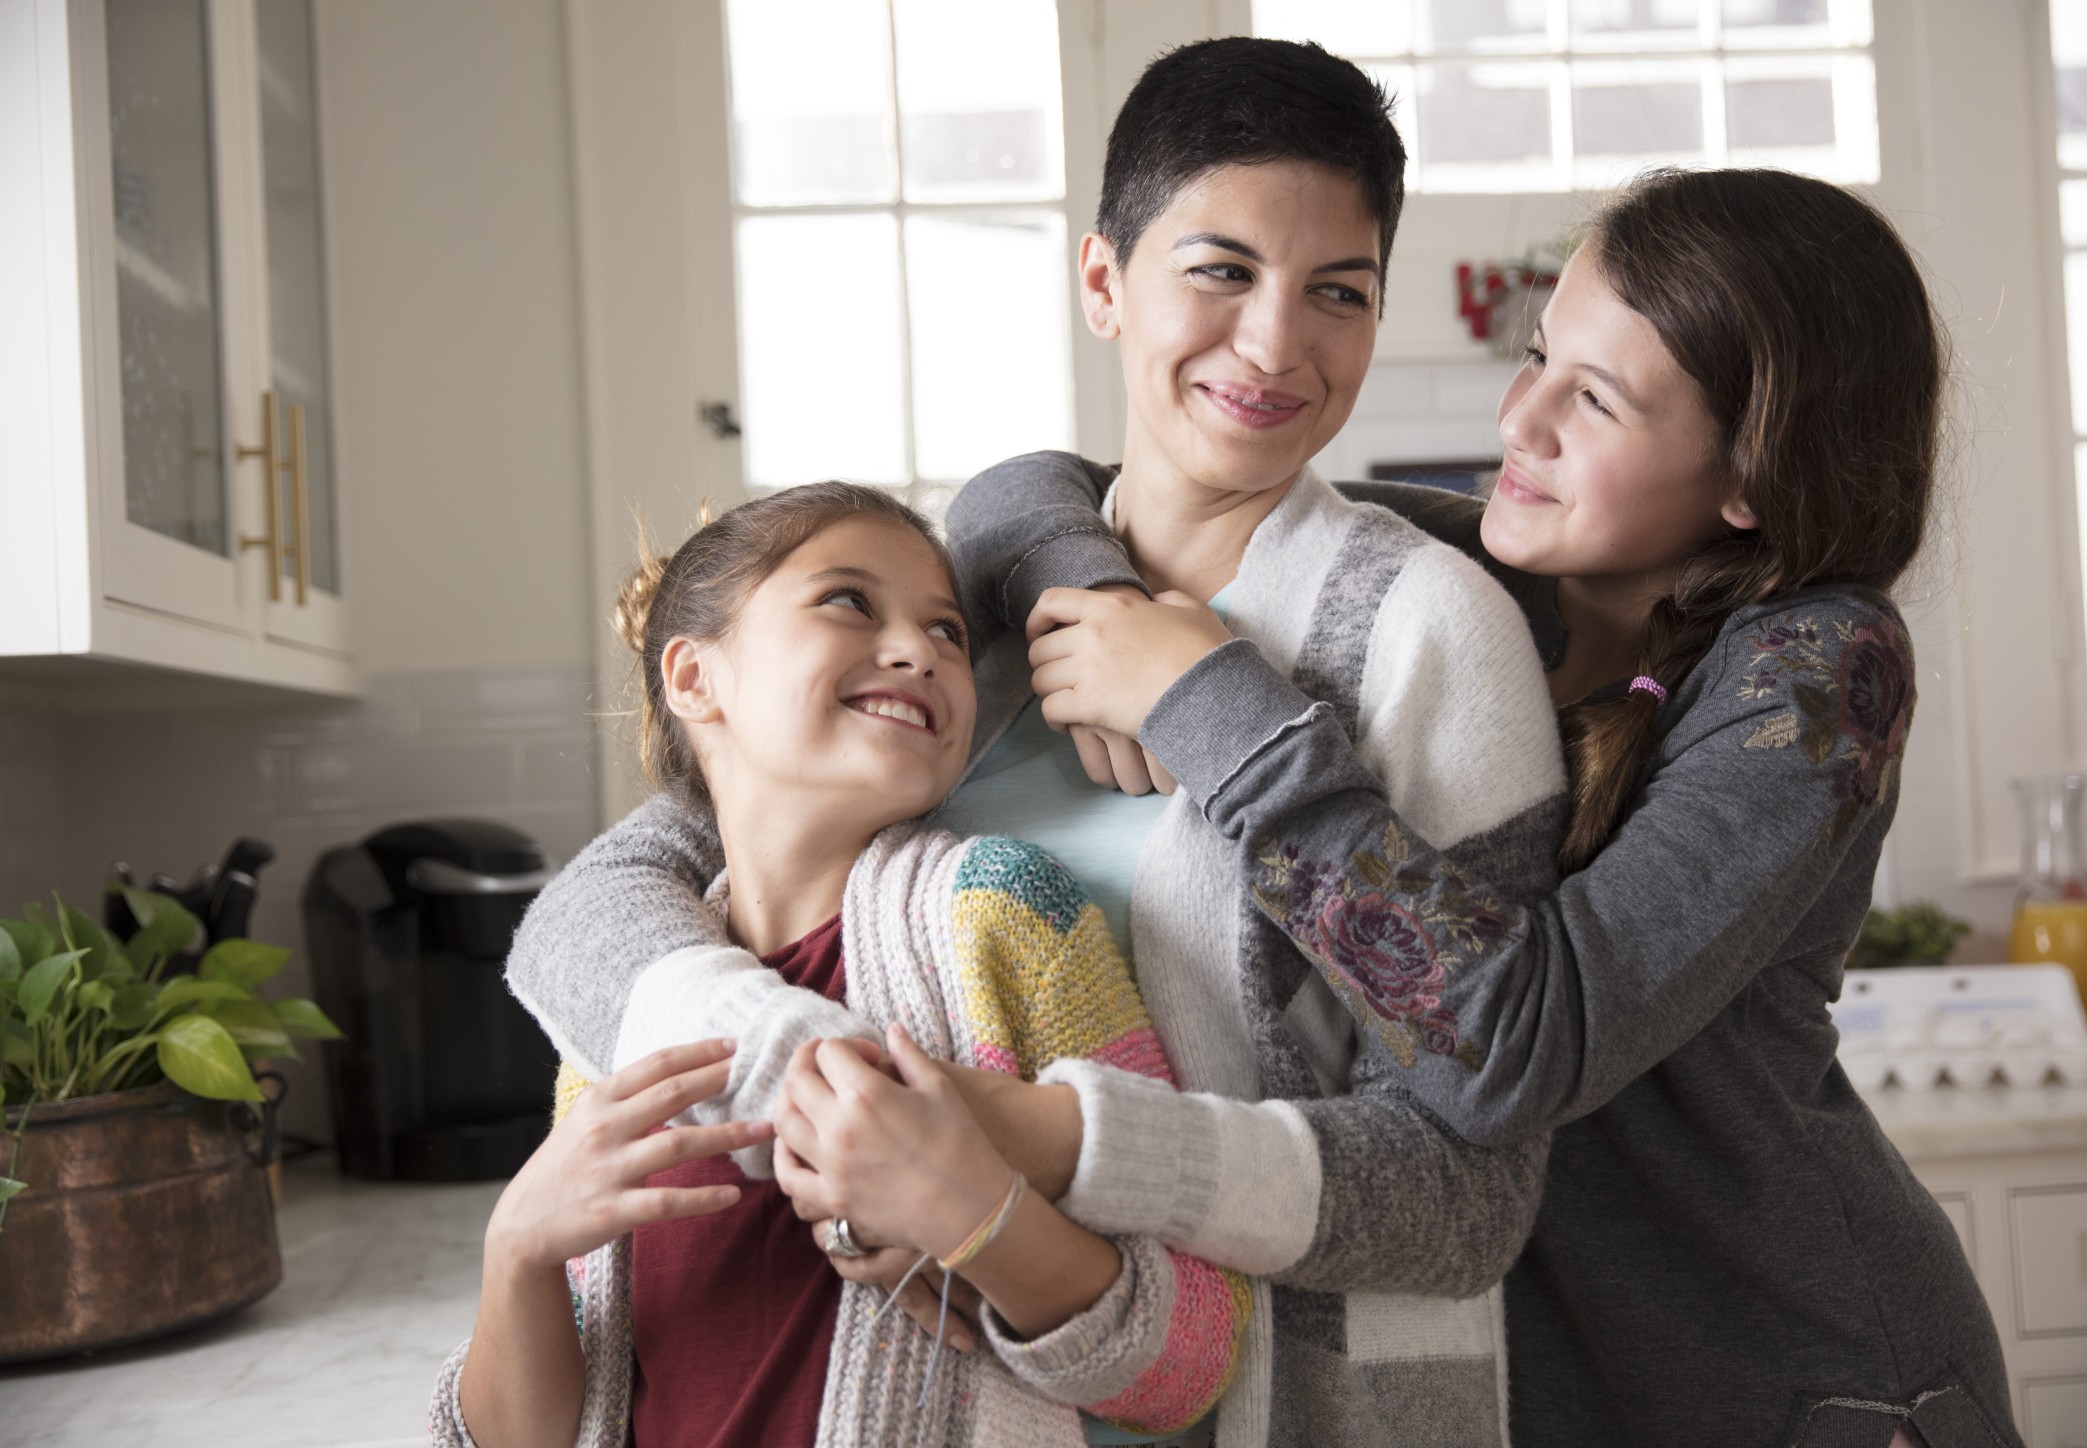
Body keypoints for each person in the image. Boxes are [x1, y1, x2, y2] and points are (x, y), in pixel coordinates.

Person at [502, 37, 1563, 1448]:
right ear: (1104, 281)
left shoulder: (1432, 637)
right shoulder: (966, 616)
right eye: (1222, 270)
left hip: (1288, 1411)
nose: (1275, 344)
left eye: (1338, 293)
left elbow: (1465, 1191)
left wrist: (1009, 1166)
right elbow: (614, 897)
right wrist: (836, 1120)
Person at [965, 169, 2023, 1448]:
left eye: (1598, 397)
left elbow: (1516, 1046)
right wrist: (1100, 596)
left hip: (1810, 1388)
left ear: (1751, 476)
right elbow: (1030, 490)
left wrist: (1210, 705)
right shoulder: (1474, 577)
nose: (1522, 418)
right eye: (1537, 356)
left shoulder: (1818, 670)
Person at [431, 484, 1248, 1448]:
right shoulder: (623, 1015)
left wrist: (979, 1223)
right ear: (695, 678)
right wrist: (516, 1251)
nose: (921, 649)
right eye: (850, 601)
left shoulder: (1004, 914)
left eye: (947, 630)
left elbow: (1189, 1365)